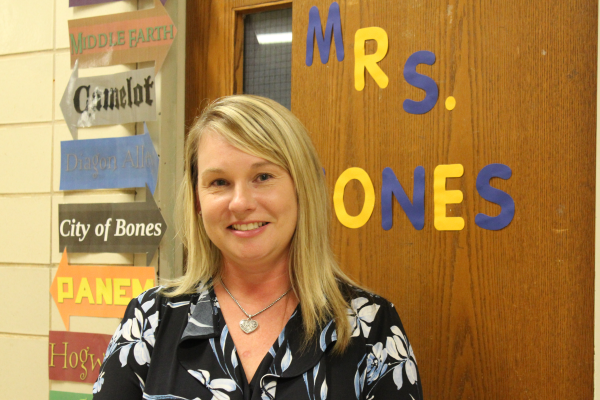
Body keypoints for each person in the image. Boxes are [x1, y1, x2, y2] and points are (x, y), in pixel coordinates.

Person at [93, 95, 422, 400]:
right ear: (196, 199)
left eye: (263, 176)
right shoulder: (149, 321)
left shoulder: (370, 326)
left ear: (301, 188)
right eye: (219, 182)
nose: (240, 203)